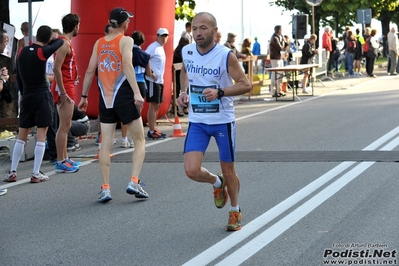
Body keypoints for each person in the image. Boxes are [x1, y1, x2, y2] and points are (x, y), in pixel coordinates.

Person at [177, 12, 251, 231]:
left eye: (203, 28)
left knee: (229, 171)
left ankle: (235, 211)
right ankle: (216, 183)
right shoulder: (187, 51)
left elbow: (246, 84)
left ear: (214, 30)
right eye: (195, 29)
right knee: (191, 171)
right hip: (198, 120)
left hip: (222, 121)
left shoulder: (226, 55)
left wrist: (220, 92)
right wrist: (183, 92)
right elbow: (185, 71)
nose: (198, 33)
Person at [79, 7, 147, 203]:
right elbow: (127, 65)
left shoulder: (99, 43)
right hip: (124, 96)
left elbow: (90, 70)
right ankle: (134, 181)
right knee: (140, 140)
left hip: (105, 99)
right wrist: (136, 92)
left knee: (105, 144)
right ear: (125, 23)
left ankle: (106, 188)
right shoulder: (126, 40)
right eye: (128, 21)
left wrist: (83, 96)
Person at [4, 25, 63, 183]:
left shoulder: (23, 51)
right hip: (42, 95)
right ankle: (36, 172)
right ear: (48, 38)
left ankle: (12, 171)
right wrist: (54, 38)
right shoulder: (42, 52)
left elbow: (20, 76)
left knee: (21, 136)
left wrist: (23, 92)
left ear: (37, 36)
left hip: (27, 95)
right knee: (41, 134)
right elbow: (59, 43)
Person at [51, 13, 81, 173]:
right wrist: (62, 92)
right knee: (63, 126)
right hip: (64, 87)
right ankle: (60, 160)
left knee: (66, 125)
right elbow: (56, 68)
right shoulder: (64, 43)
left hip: (68, 85)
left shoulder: (65, 42)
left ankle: (65, 157)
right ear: (75, 26)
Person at [120, 30, 157, 147]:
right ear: (143, 42)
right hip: (140, 83)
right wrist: (154, 75)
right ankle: (134, 140)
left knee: (125, 111)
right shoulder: (145, 55)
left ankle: (123, 139)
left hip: (127, 82)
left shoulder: (126, 52)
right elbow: (148, 73)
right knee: (137, 113)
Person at [145, 28, 169, 139]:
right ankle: (151, 131)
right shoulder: (153, 47)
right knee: (153, 105)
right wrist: (150, 73)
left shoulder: (160, 48)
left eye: (165, 36)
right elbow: (144, 58)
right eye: (162, 36)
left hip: (159, 81)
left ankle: (153, 128)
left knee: (157, 105)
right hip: (152, 81)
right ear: (157, 36)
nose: (164, 38)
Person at [173, 36, 190, 116]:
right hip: (177, 74)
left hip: (183, 73)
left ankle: (185, 107)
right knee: (177, 91)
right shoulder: (178, 51)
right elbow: (185, 59)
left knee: (185, 90)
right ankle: (176, 108)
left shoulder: (183, 50)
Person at [269, 25, 285, 97]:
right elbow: (280, 48)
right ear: (279, 30)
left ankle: (279, 90)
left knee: (280, 74)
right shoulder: (275, 38)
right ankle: (274, 91)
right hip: (275, 58)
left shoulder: (278, 38)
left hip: (279, 57)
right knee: (275, 74)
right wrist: (284, 41)